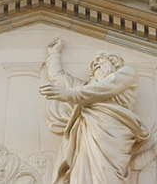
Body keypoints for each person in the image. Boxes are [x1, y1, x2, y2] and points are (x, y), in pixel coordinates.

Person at [39, 37, 148, 184]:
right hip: (88, 135)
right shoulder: (85, 90)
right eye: (94, 66)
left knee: (106, 172)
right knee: (81, 172)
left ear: (114, 64)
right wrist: (54, 53)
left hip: (115, 133)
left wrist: (71, 94)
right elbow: (58, 77)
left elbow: (109, 86)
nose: (96, 66)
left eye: (100, 62)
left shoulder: (128, 74)